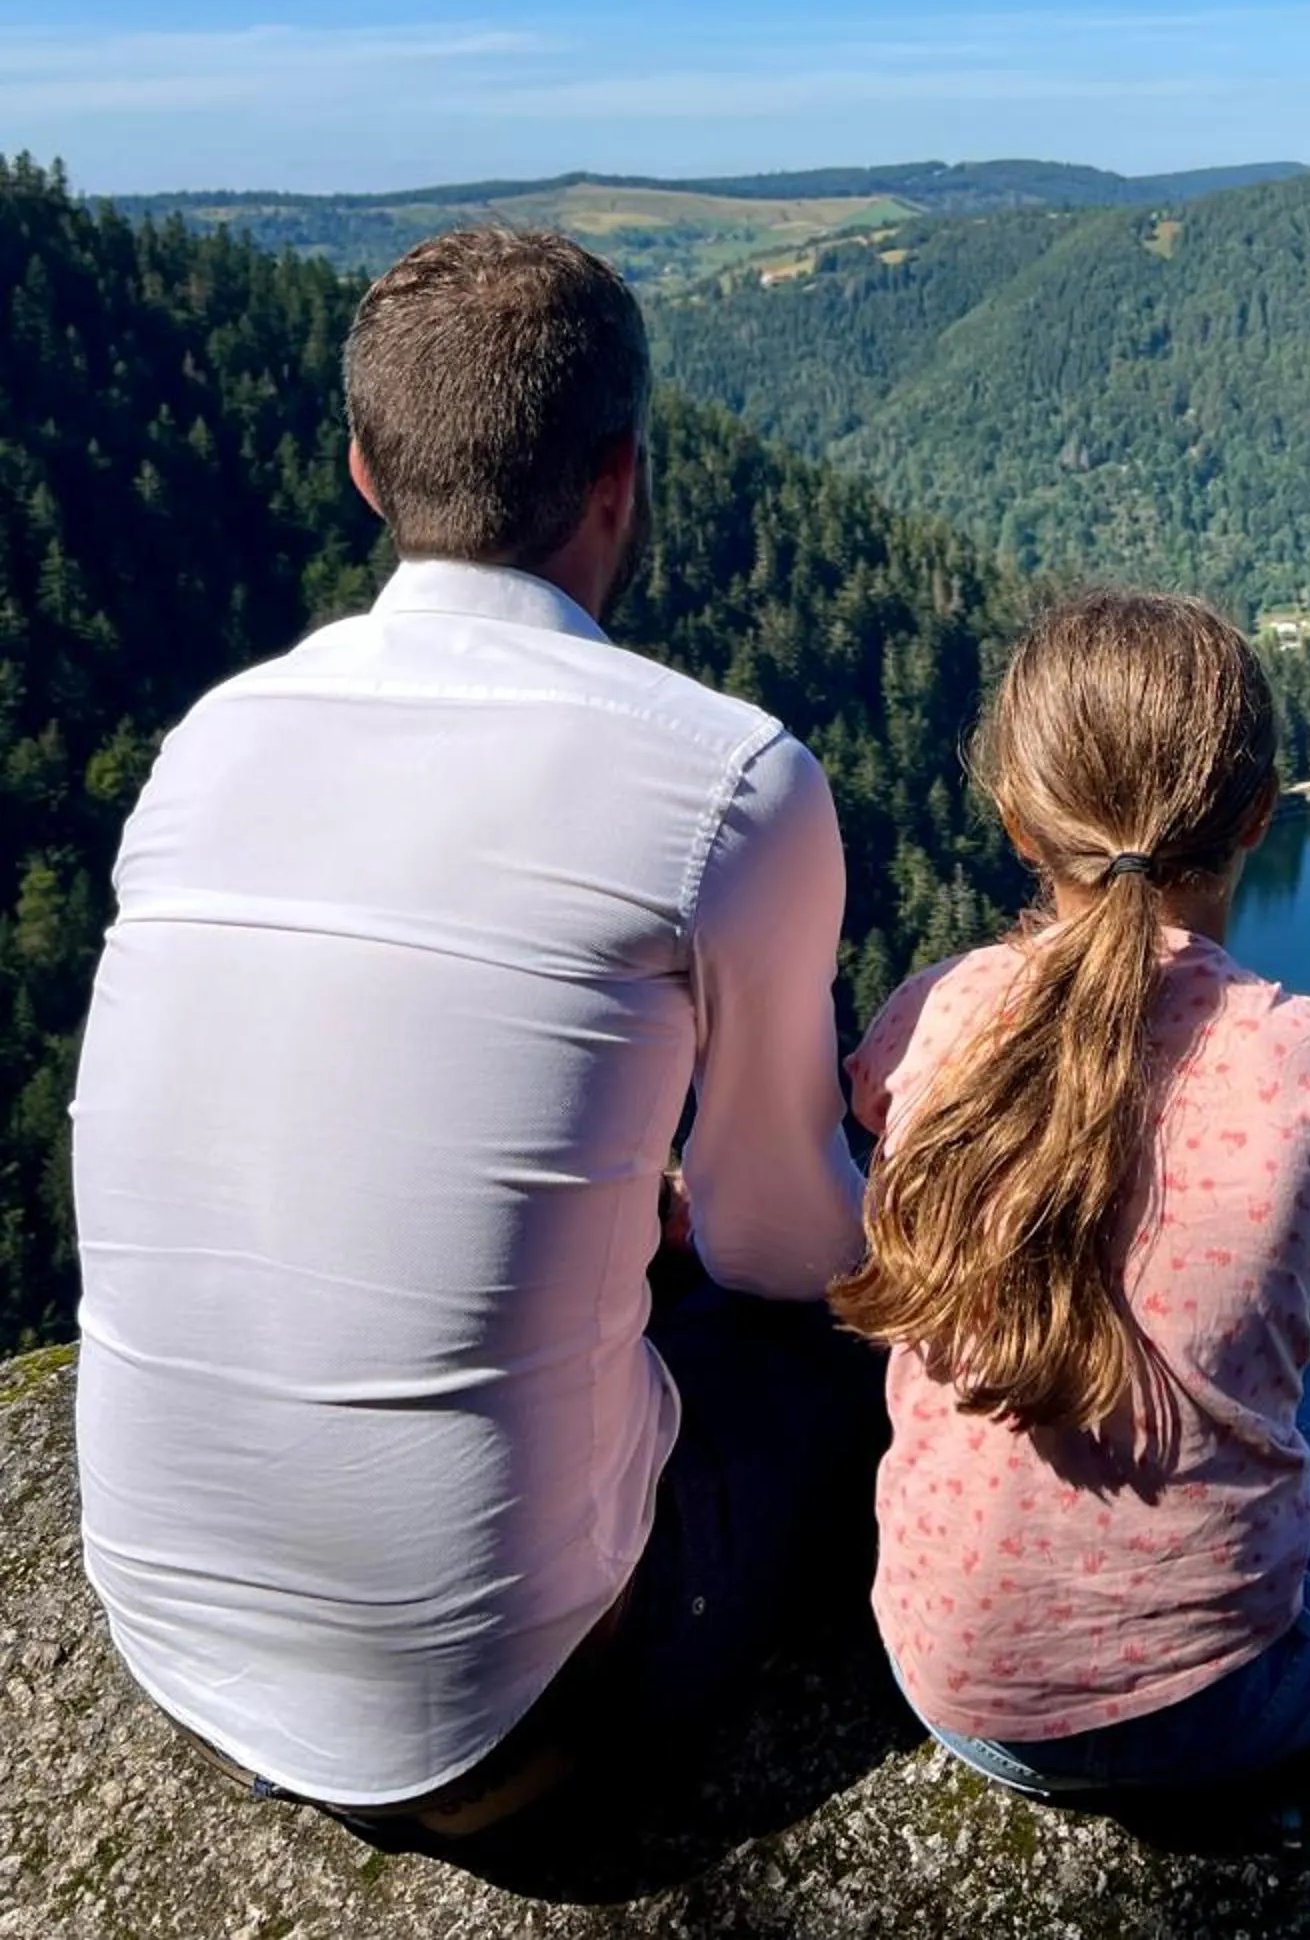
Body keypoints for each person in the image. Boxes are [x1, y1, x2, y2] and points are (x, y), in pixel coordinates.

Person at [71, 227, 883, 1841]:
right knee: (848, 1350)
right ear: (618, 481)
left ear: (369, 473)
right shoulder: (724, 777)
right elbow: (787, 1246)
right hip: (501, 1708)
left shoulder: (213, 739)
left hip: (168, 1635)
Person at [833, 587, 1310, 1795]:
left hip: (953, 1697)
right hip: (1235, 1703)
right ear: (1258, 814)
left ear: (1015, 825)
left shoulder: (932, 1018)